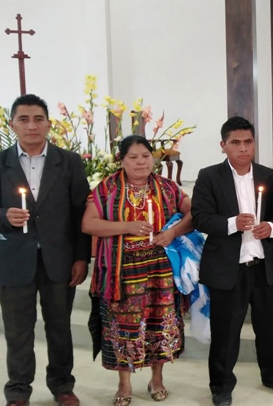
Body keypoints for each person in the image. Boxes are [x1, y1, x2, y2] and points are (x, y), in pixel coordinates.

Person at [0, 94, 90, 406]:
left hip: (59, 260)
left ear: (49, 124)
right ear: (12, 124)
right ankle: (18, 390)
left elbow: (81, 212)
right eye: (23, 119)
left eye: (38, 119)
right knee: (18, 331)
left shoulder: (69, 162)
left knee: (60, 328)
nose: (32, 126)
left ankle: (62, 386)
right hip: (14, 260)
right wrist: (4, 216)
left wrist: (82, 257)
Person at [82, 135, 192, 406]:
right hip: (122, 273)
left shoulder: (168, 187)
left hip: (161, 271)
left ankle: (157, 378)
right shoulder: (106, 189)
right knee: (123, 328)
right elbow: (88, 224)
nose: (141, 162)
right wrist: (127, 227)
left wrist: (173, 233)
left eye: (145, 156)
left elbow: (195, 213)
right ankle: (124, 383)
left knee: (160, 324)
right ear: (121, 160)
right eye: (133, 157)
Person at [190, 117, 273, 406]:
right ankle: (221, 385)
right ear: (223, 145)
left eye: (248, 142)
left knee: (269, 328)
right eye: (235, 142)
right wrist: (232, 223)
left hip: (263, 267)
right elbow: (200, 217)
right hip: (228, 268)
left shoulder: (269, 176)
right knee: (226, 332)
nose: (243, 148)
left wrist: (270, 227)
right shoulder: (209, 176)